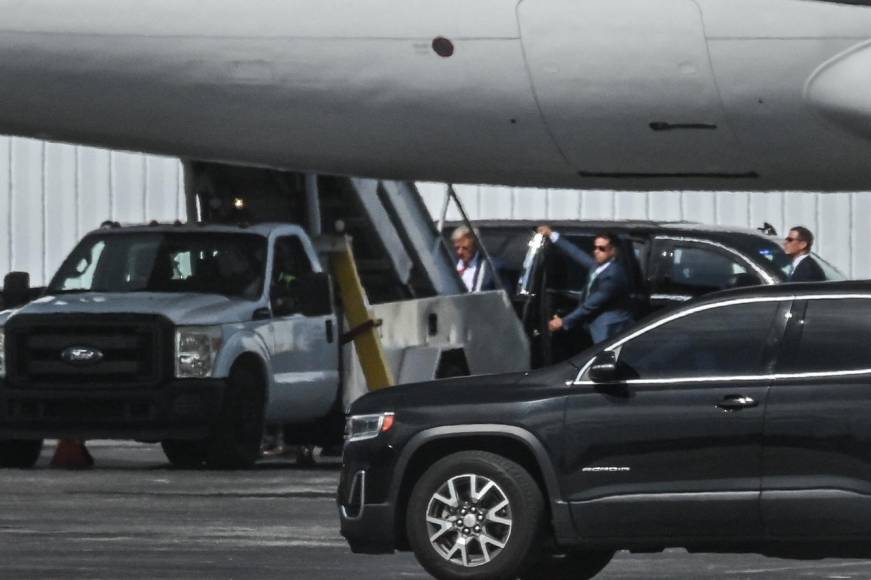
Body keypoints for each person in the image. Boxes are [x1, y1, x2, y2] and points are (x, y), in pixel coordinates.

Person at [537, 226, 634, 344]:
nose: (596, 251)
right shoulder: (598, 266)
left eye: (601, 248)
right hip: (595, 325)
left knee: (604, 357)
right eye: (595, 247)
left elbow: (591, 304)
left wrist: (564, 321)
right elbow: (576, 253)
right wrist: (552, 234)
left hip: (609, 327)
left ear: (613, 251)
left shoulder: (614, 275)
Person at [451, 225, 501, 292]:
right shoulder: (449, 265)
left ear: (476, 245)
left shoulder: (492, 267)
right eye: (457, 248)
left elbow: (505, 297)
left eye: (465, 248)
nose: (459, 252)